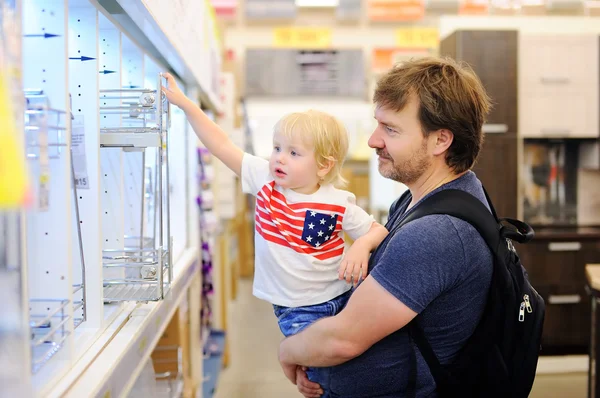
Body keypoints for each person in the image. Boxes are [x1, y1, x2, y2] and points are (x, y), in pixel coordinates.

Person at [277, 56, 494, 398]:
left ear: (440, 140)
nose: (373, 140)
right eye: (377, 124)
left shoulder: (437, 232)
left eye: (390, 129)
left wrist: (288, 351)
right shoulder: (425, 200)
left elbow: (343, 339)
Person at [160, 73, 388, 394]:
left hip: (345, 295)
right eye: (277, 147)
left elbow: (378, 230)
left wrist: (361, 245)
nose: (279, 157)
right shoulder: (265, 180)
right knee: (322, 373)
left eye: (294, 153)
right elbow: (221, 143)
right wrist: (186, 105)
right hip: (298, 309)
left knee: (352, 363)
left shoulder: (338, 201)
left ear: (323, 166)